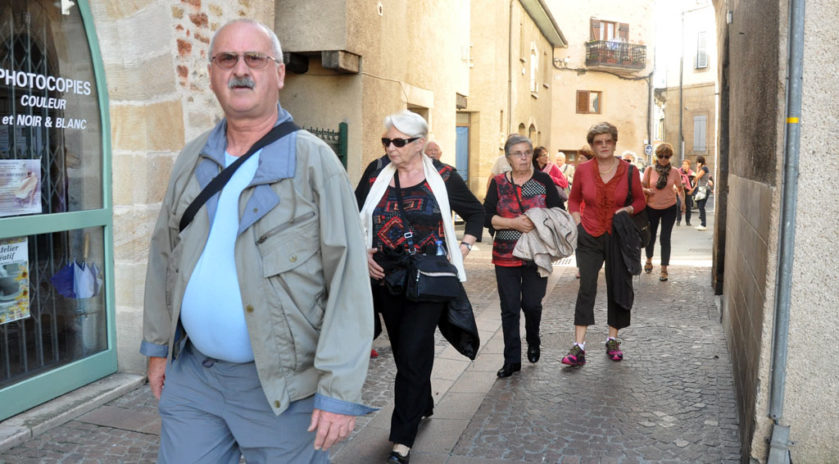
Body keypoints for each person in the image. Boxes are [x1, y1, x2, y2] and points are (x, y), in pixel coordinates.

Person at [141, 19, 374, 463]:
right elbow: (163, 256)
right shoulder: (192, 158)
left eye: (255, 59)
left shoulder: (314, 162)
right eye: (227, 59)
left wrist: (338, 391)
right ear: (212, 73)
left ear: (279, 73)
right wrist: (156, 349)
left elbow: (348, 282)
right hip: (194, 380)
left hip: (283, 389)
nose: (240, 70)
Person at [356, 110, 484, 464]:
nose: (390, 148)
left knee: (413, 352)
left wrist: (465, 245)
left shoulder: (443, 176)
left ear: (420, 144)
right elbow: (353, 214)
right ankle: (422, 400)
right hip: (384, 276)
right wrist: (361, 250)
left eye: (398, 142)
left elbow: (476, 212)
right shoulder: (375, 172)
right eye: (387, 141)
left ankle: (402, 439)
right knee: (401, 349)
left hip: (427, 279)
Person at [563, 122, 645, 367]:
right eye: (598, 142)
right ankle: (579, 346)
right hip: (588, 233)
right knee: (586, 286)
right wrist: (577, 222)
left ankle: (613, 339)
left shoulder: (630, 171)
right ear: (592, 145)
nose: (604, 146)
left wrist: (627, 209)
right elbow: (574, 199)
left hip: (618, 235)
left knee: (618, 285)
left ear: (614, 143)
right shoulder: (583, 170)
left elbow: (640, 200)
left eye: (608, 141)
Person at [484, 135, 563, 378]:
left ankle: (533, 338)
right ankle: (511, 359)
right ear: (508, 158)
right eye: (518, 153)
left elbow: (558, 212)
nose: (524, 157)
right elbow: (487, 217)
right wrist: (513, 223)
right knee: (509, 308)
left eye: (527, 152)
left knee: (531, 304)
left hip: (536, 254)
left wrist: (538, 221)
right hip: (505, 255)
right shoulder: (498, 183)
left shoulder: (542, 180)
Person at [641, 143, 685, 282]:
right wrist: (647, 191)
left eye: (666, 156)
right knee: (651, 236)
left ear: (670, 157)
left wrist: (682, 202)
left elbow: (679, 188)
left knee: (665, 238)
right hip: (651, 207)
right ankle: (648, 260)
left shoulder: (674, 172)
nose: (663, 159)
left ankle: (664, 269)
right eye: (661, 156)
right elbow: (641, 186)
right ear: (657, 156)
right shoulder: (649, 170)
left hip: (669, 208)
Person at [691, 156, 713, 231]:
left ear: (700, 162)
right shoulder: (702, 169)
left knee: (701, 206)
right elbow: (695, 180)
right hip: (701, 189)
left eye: (698, 162)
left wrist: (697, 170)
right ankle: (702, 222)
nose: (697, 164)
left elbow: (696, 177)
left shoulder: (704, 168)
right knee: (699, 204)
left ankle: (703, 224)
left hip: (704, 189)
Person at [677, 159, 695, 226]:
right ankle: (678, 220)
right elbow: (675, 181)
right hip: (680, 190)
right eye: (683, 164)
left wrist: (692, 190)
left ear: (689, 165)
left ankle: (688, 221)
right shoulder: (678, 172)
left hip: (688, 191)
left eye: (686, 164)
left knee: (688, 205)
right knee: (679, 205)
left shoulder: (692, 173)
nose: (684, 165)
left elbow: (696, 182)